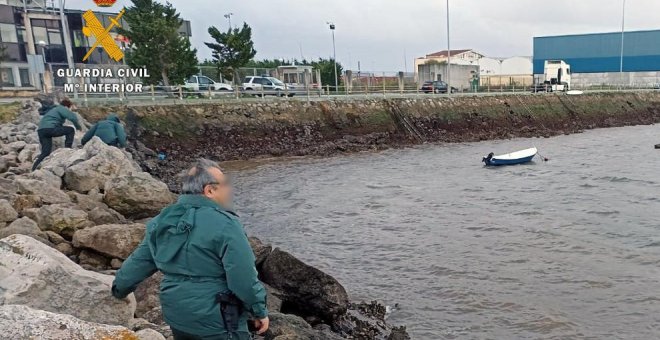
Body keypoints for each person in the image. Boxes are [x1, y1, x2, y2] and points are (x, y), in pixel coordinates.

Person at [111, 159, 269, 340]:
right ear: (209, 190)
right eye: (225, 183)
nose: (230, 189)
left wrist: (118, 289)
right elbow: (243, 277)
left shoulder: (162, 220)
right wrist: (259, 310)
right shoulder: (227, 224)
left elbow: (140, 261)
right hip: (218, 321)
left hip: (177, 315)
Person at [31, 98, 82, 171]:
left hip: (41, 130)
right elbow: (72, 117)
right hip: (50, 129)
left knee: (45, 152)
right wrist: (78, 127)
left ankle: (34, 169)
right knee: (70, 130)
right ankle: (67, 149)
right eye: (70, 108)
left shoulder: (53, 110)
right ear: (67, 106)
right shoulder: (61, 108)